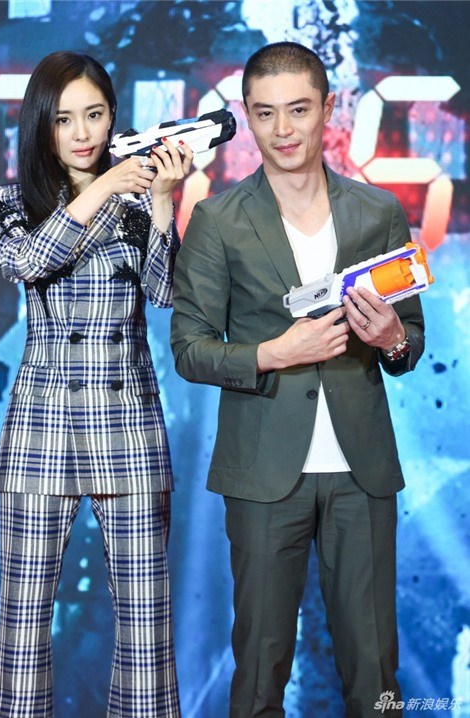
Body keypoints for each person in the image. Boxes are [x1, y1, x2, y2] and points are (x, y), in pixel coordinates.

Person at [171, 41, 424, 718]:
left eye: (299, 110)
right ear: (247, 116)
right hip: (261, 472)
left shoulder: (377, 212)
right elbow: (190, 350)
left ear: (328, 110)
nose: (282, 130)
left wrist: (390, 339)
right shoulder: (217, 220)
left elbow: (409, 342)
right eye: (265, 113)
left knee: (376, 672)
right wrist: (272, 353)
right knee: (259, 670)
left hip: (361, 473)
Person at [0, 51, 193, 718]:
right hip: (40, 430)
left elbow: (166, 292)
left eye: (95, 115)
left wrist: (161, 202)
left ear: (112, 116)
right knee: (21, 627)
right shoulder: (12, 203)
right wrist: (103, 189)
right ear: (41, 125)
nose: (82, 133)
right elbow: (27, 263)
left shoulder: (136, 203)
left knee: (146, 630)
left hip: (128, 427)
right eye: (65, 119)